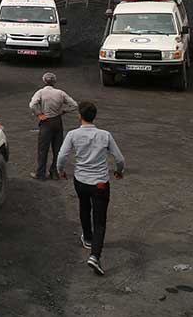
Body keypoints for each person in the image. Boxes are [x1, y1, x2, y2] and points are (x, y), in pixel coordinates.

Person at [56, 101, 125, 276]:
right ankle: (95, 255)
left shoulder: (73, 135)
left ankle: (87, 237)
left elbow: (62, 156)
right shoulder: (105, 135)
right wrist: (119, 171)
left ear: (80, 116)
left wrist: (61, 171)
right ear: (94, 116)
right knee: (100, 220)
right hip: (100, 183)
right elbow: (119, 158)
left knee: (84, 207)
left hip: (81, 180)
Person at [28, 72, 79, 180]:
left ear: (44, 81)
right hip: (57, 121)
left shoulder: (41, 92)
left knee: (43, 149)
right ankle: (54, 172)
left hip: (46, 122)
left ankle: (41, 173)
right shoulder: (60, 93)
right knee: (57, 149)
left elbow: (32, 104)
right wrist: (64, 110)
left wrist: (39, 114)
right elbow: (74, 105)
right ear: (54, 82)